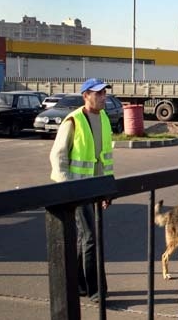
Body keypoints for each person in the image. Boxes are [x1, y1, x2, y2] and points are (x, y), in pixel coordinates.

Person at [49, 78, 114, 303]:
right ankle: (97, 291)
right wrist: (68, 188)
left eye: (105, 93)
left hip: (95, 189)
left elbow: (105, 158)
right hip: (77, 189)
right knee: (90, 238)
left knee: (85, 239)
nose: (103, 97)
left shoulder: (104, 118)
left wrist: (107, 190)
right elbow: (58, 158)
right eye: (98, 94)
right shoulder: (73, 120)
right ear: (85, 95)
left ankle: (77, 285)